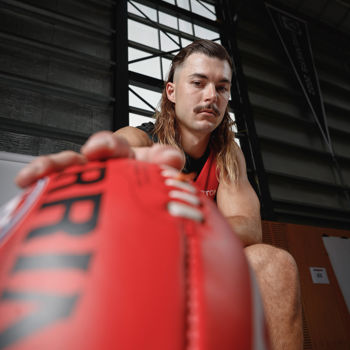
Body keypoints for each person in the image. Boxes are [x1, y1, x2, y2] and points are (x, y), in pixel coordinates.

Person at [16, 40, 302, 349]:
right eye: (198, 82)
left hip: (205, 263)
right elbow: (125, 143)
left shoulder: (228, 154)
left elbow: (248, 226)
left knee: (274, 262)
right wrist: (104, 165)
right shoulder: (144, 138)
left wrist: (185, 232)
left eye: (222, 87)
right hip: (150, 264)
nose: (211, 96)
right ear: (171, 92)